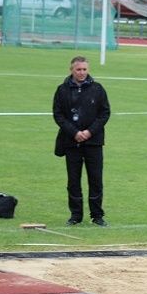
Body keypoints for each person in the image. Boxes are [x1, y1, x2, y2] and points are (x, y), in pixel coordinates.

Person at [53, 56, 110, 227]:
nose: (82, 73)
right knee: (73, 180)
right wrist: (74, 132)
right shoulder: (62, 90)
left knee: (96, 179)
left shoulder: (98, 89)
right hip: (71, 142)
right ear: (71, 70)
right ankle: (75, 215)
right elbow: (58, 115)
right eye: (79, 69)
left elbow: (104, 114)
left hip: (94, 142)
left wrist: (89, 132)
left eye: (85, 69)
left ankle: (97, 215)